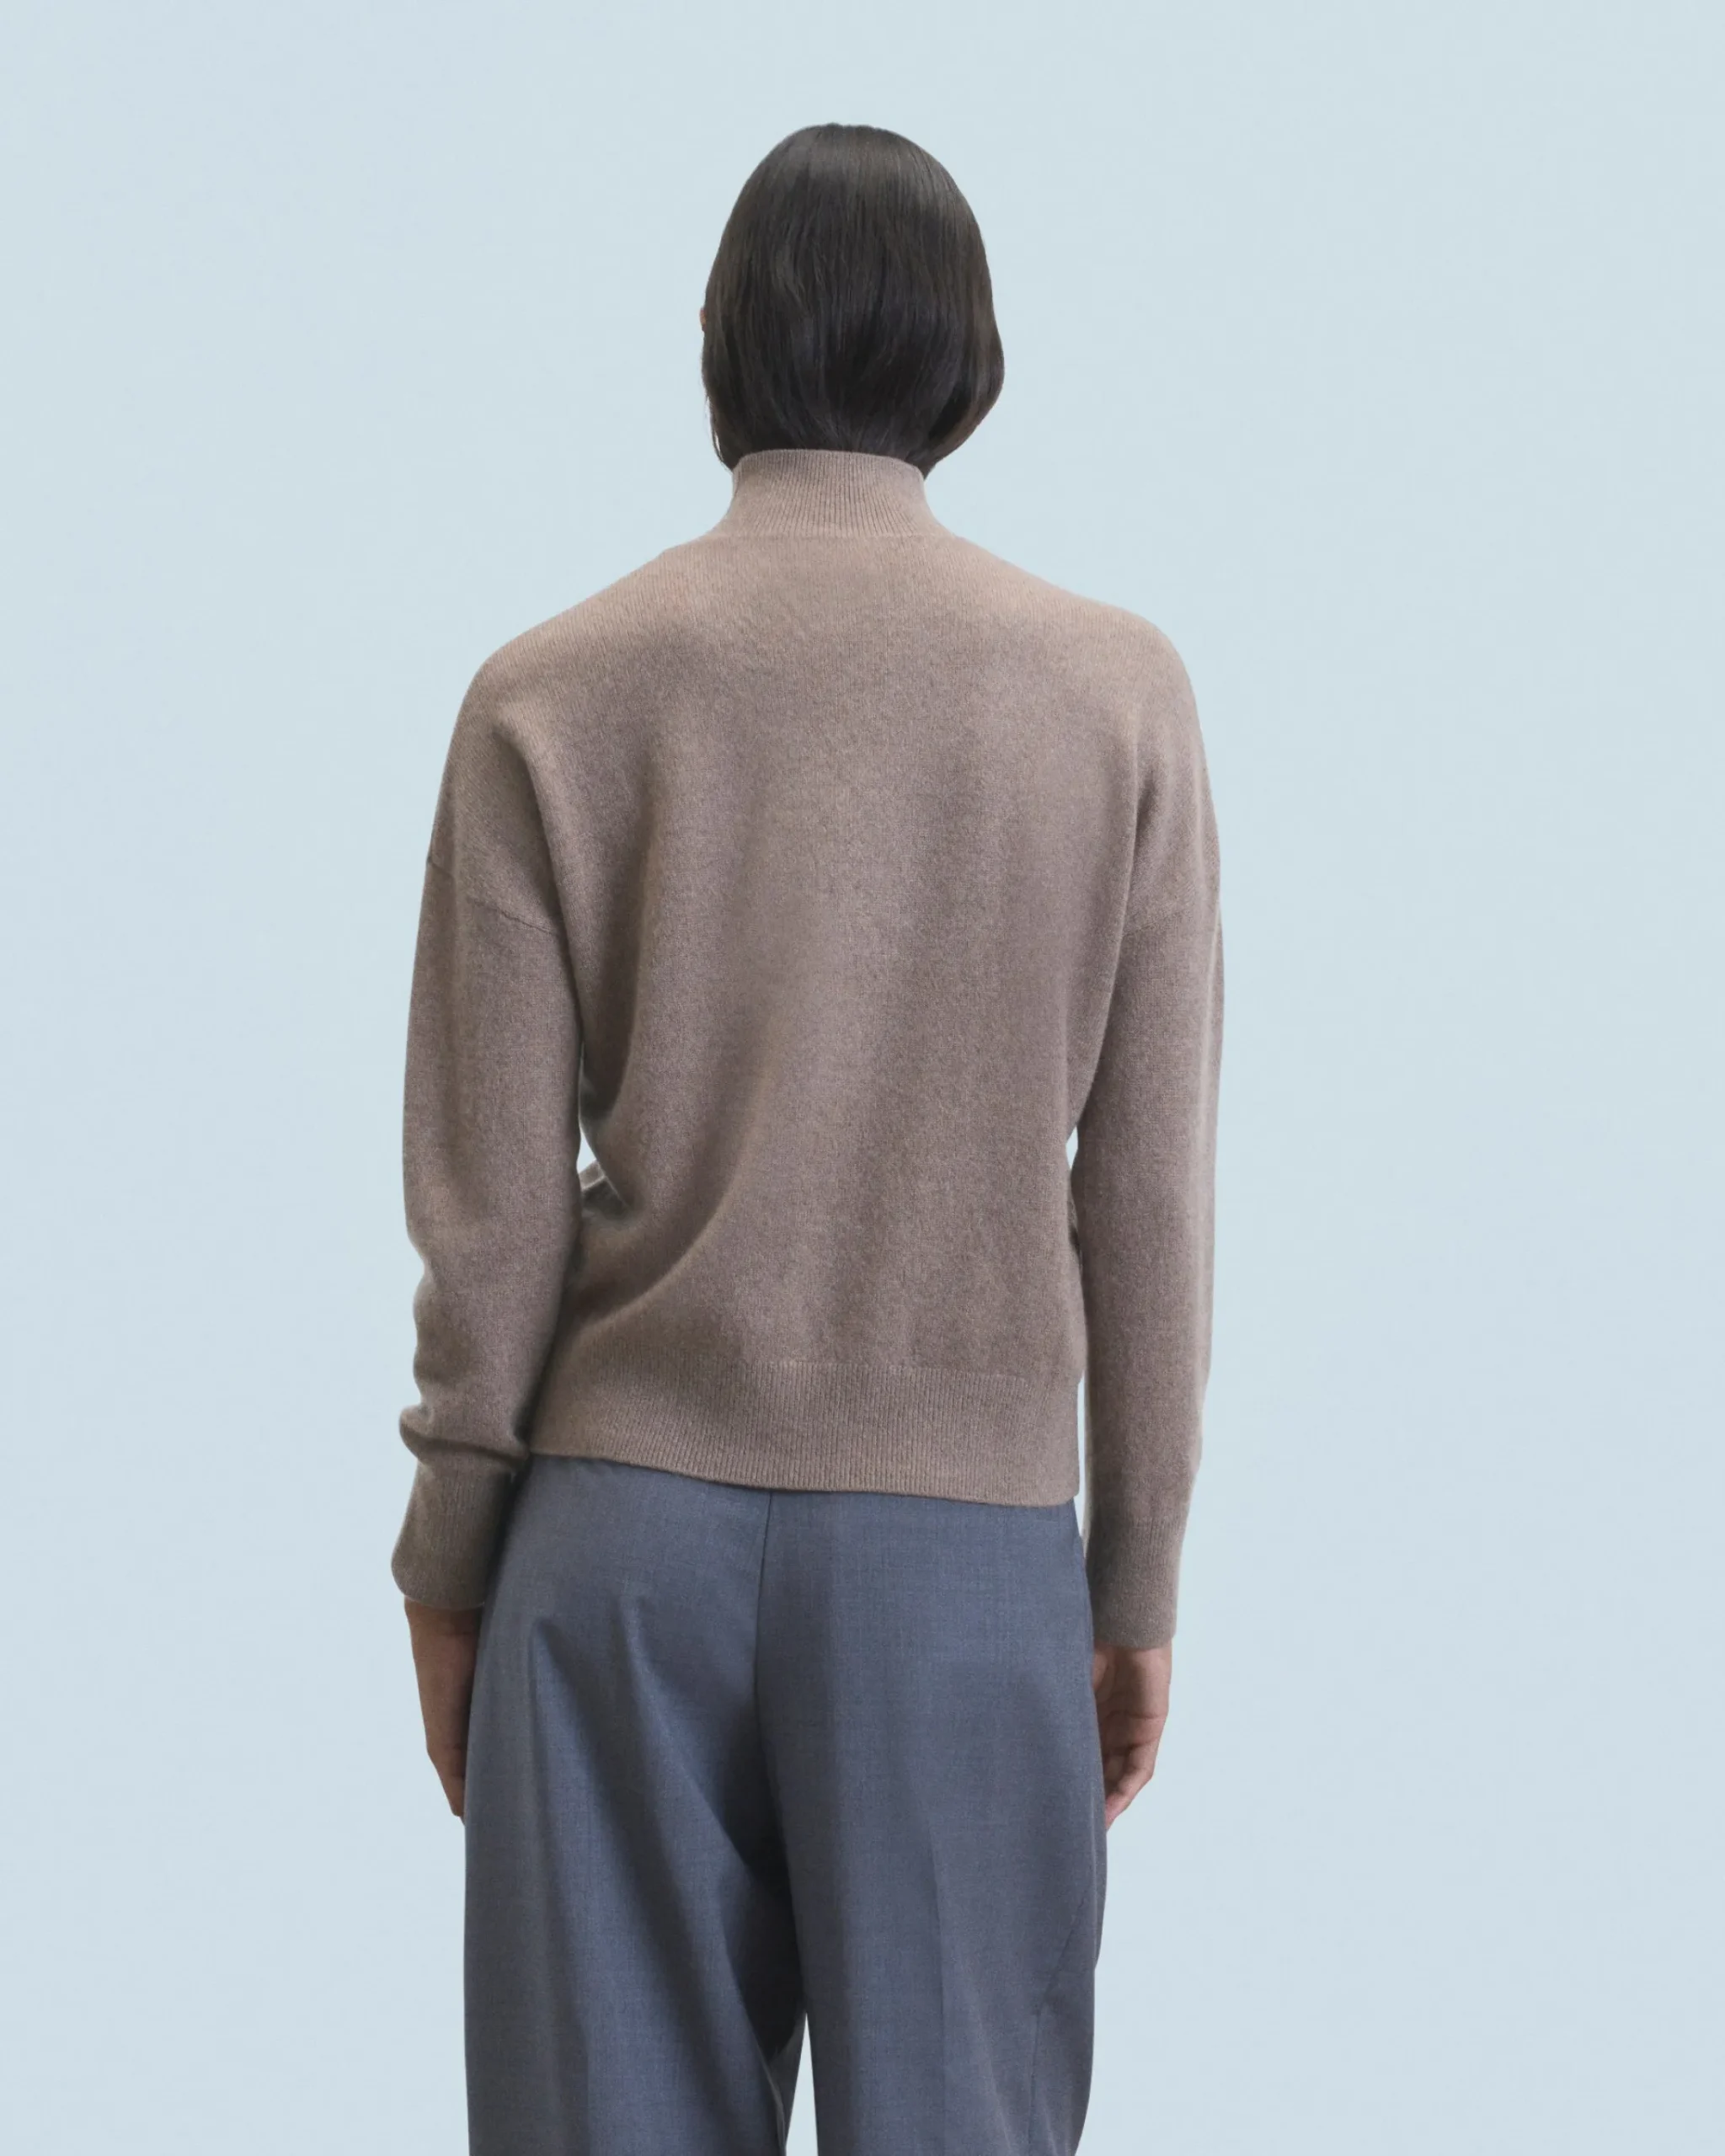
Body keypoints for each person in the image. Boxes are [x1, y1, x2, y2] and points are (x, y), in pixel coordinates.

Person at [393, 120, 1223, 2156]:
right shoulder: (1114, 698)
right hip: (965, 1560)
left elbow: (490, 1211)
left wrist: (451, 1552)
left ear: (719, 350)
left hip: (619, 1551)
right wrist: (1132, 1571)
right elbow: (1144, 1200)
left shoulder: (548, 692)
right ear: (968, 359)